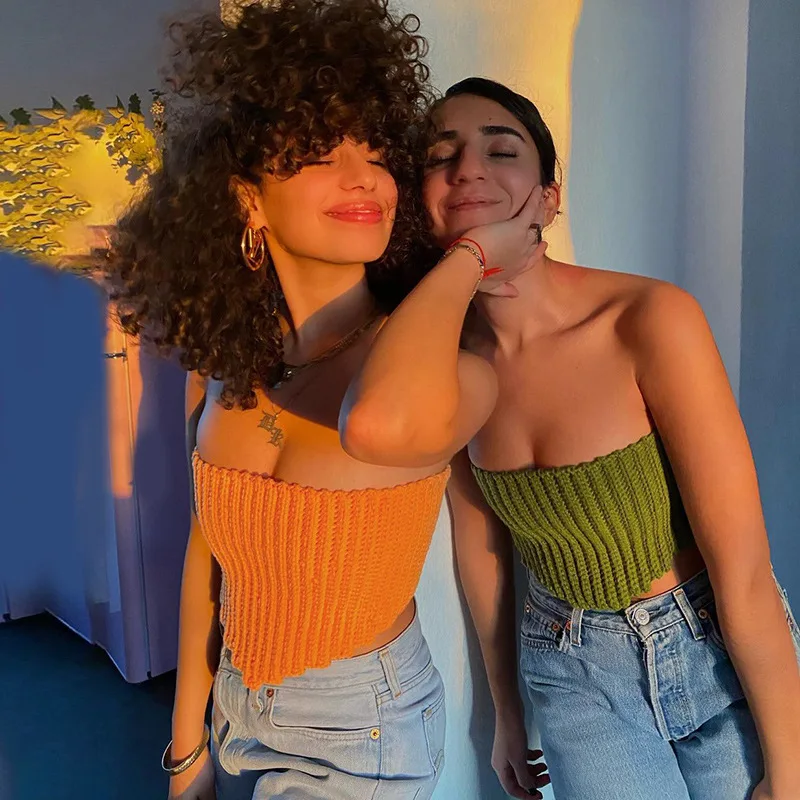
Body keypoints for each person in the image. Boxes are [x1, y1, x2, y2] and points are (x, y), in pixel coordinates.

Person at [340, 77, 800, 800]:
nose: (468, 169)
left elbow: (744, 572)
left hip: (712, 654)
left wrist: (790, 770)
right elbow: (482, 548)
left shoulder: (648, 318)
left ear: (549, 198)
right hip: (571, 669)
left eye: (501, 150)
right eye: (441, 157)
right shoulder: (450, 364)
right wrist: (506, 713)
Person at [106, 3, 450, 798]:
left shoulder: (417, 359)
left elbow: (384, 424)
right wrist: (185, 745)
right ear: (248, 201)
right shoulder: (225, 365)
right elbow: (209, 556)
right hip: (237, 711)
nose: (363, 176)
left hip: (362, 727)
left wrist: (467, 256)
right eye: (320, 152)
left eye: (376, 151)